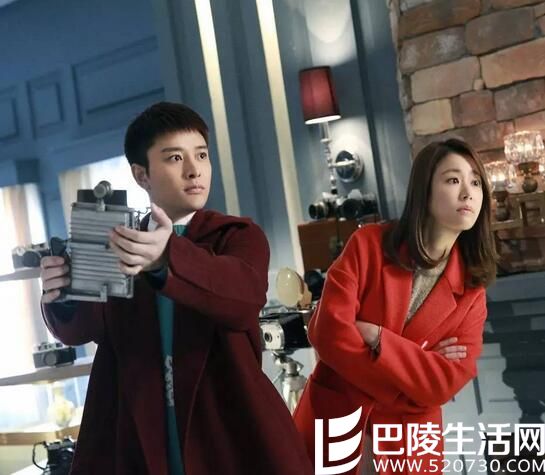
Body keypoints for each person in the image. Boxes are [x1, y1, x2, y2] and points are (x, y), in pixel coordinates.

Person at [40, 102, 313, 475]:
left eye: (201, 155)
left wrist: (167, 257)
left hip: (227, 427)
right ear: (142, 175)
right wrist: (61, 295)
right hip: (136, 426)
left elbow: (242, 301)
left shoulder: (237, 235)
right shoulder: (116, 242)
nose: (194, 169)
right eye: (174, 158)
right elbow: (82, 329)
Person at [293, 138, 497, 475]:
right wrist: (414, 372)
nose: (468, 193)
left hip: (409, 441)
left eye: (476, 182)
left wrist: (378, 339)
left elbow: (444, 383)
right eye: (453, 179)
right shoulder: (368, 244)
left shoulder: (472, 291)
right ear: (424, 191)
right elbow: (328, 332)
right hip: (334, 424)